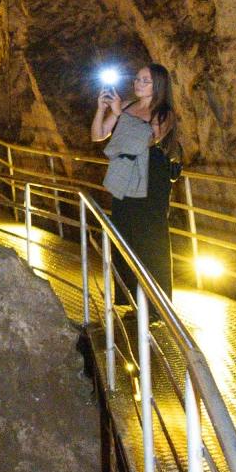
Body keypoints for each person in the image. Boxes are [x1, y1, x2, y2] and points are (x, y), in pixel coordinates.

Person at [91, 63, 179, 301]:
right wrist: (101, 109)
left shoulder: (164, 113)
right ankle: (129, 299)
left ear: (158, 85)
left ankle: (156, 303)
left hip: (151, 179)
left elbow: (145, 140)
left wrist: (119, 114)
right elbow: (98, 135)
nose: (139, 84)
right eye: (137, 79)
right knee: (124, 234)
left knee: (149, 238)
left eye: (145, 81)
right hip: (125, 177)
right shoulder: (127, 105)